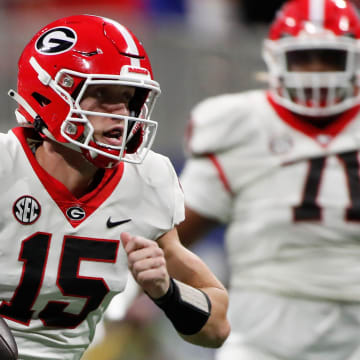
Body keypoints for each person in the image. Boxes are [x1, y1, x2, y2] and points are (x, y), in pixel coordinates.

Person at [0, 14, 230, 360]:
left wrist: (167, 292)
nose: (121, 112)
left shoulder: (146, 181)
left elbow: (217, 328)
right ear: (49, 94)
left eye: (127, 97)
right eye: (100, 94)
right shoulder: (6, 164)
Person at [178, 0, 360, 359]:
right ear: (277, 58)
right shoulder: (240, 123)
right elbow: (172, 235)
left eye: (329, 58)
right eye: (305, 58)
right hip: (263, 330)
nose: (317, 71)